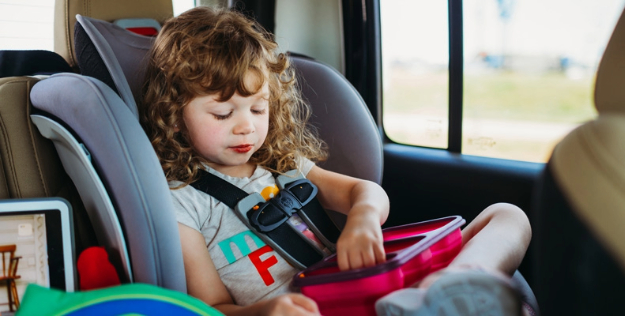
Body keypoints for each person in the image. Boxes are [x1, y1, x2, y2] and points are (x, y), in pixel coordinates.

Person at [139, 6, 532, 316]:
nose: (246, 129)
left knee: (508, 215)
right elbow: (209, 308)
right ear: (174, 115)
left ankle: (447, 288)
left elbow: (366, 192)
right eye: (223, 115)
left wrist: (362, 220)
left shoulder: (284, 164)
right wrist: (265, 311)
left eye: (258, 110)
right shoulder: (182, 202)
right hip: (315, 308)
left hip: (371, 285)